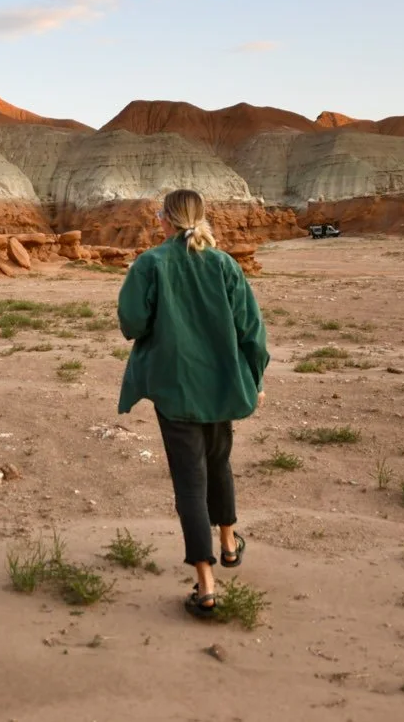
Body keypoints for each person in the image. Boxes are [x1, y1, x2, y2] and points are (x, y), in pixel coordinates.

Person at [116, 188, 269, 619]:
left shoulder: (150, 264)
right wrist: (254, 378)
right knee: (218, 462)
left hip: (174, 386)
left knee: (190, 480)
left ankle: (206, 584)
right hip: (221, 384)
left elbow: (131, 323)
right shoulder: (224, 264)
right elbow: (252, 330)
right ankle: (229, 543)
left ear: (165, 219)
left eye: (159, 215)